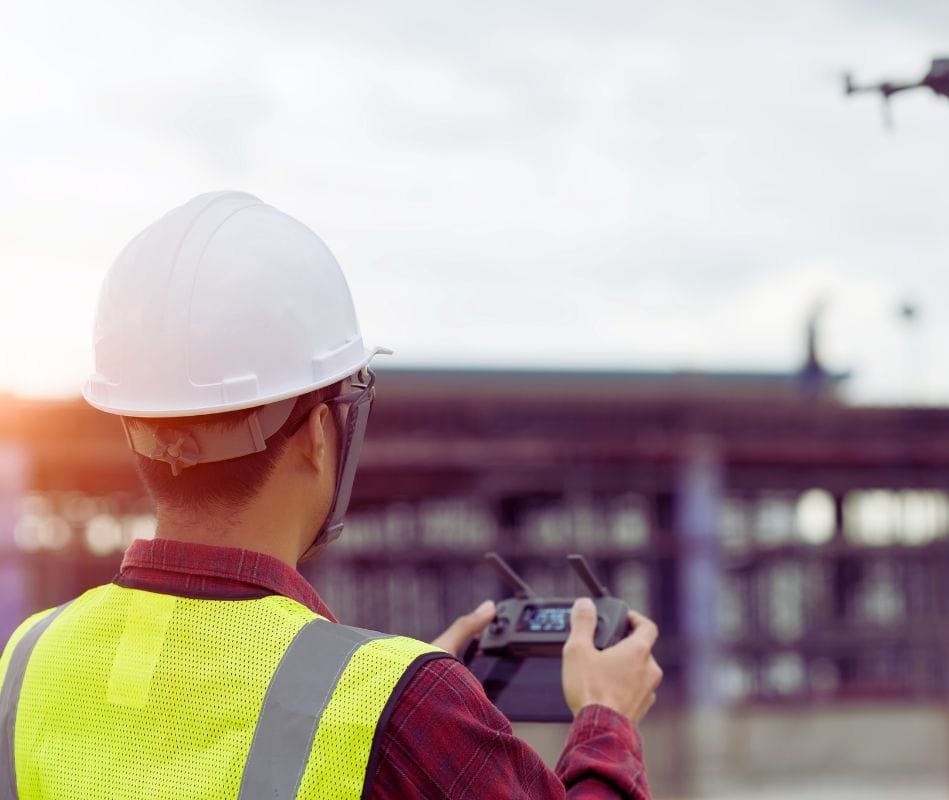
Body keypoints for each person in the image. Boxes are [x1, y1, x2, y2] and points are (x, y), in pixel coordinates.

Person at [0, 191, 663, 798]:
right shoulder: (405, 707)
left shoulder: (27, 661)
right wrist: (606, 718)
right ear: (321, 431)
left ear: (135, 423)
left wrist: (382, 686)